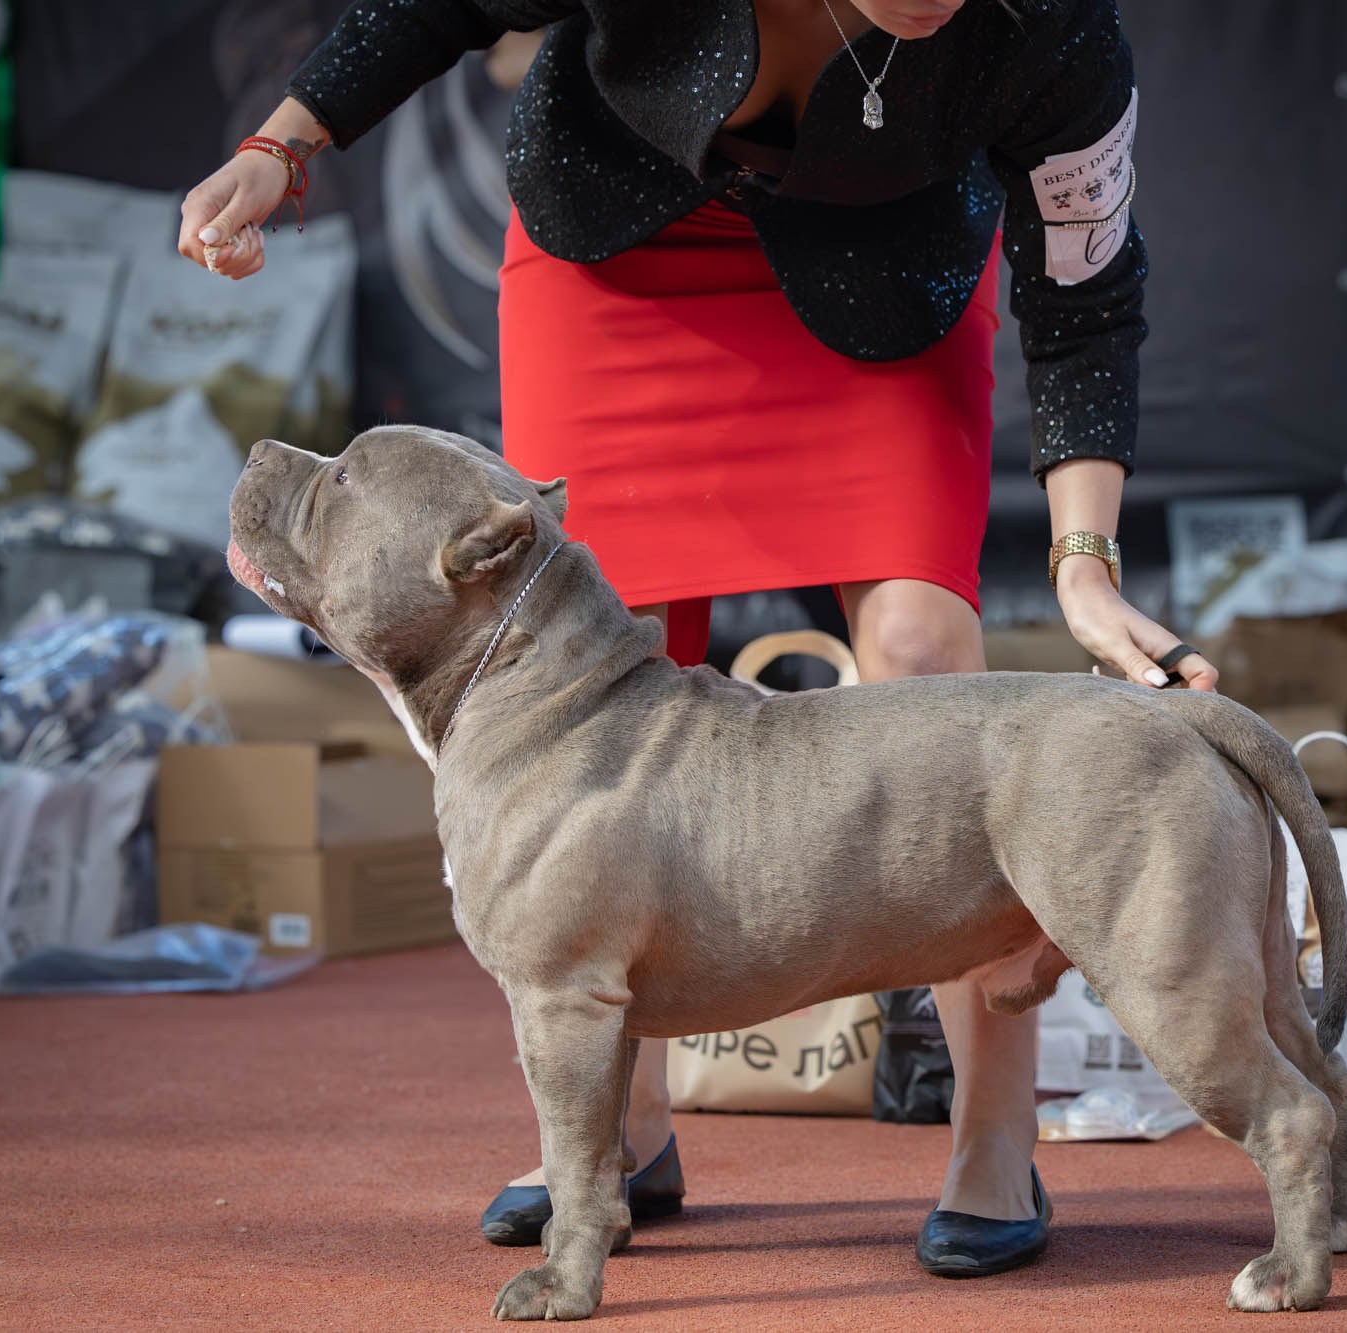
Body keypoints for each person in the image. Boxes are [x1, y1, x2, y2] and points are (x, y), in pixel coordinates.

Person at [177, 0, 1217, 1278]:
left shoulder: (1053, 29)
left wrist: (1083, 569)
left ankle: (991, 1128)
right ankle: (621, 1126)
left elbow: (1086, 284)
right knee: (595, 657)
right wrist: (279, 148)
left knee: (921, 649)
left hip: (885, 286)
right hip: (618, 264)